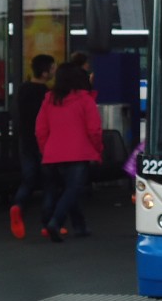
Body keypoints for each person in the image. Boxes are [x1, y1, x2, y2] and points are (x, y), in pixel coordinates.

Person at [35, 61, 102, 242]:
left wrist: (45, 150)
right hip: (78, 154)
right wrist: (98, 150)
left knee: (69, 190)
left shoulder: (49, 100)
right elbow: (94, 130)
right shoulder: (85, 100)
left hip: (52, 155)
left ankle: (80, 226)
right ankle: (55, 222)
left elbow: (40, 130)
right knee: (73, 190)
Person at [9, 54, 55, 239]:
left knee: (28, 179)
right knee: (50, 183)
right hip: (44, 142)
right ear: (45, 73)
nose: (54, 71)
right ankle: (48, 224)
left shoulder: (23, 89)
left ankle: (18, 206)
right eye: (52, 68)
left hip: (25, 140)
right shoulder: (47, 94)